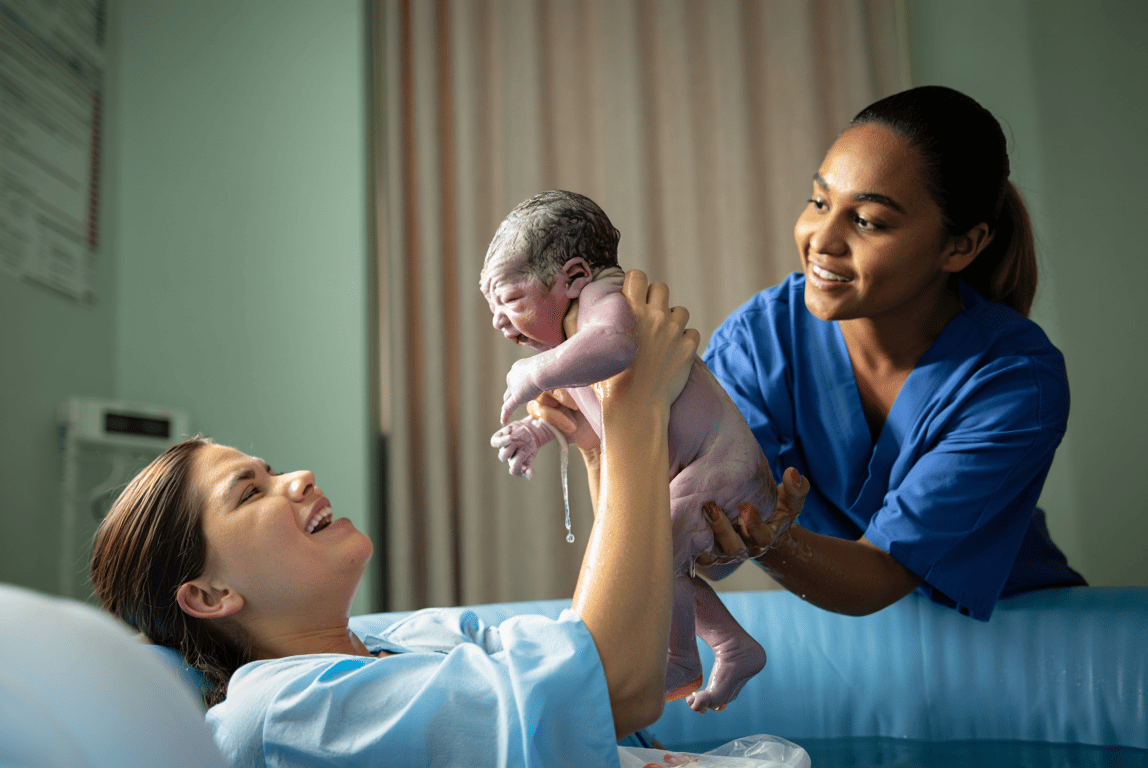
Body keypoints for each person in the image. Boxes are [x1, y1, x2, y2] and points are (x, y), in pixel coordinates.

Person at [90, 271, 759, 767]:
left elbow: (602, 651)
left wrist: (596, 452)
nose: (298, 478)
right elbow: (617, 688)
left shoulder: (419, 639)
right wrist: (634, 413)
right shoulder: (276, 713)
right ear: (209, 595)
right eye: (250, 491)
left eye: (269, 471)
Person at [686, 85, 1086, 621]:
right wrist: (615, 433)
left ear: (961, 246)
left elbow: (876, 577)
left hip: (1033, 645)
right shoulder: (761, 342)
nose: (821, 240)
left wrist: (767, 541)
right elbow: (707, 552)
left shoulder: (1013, 382)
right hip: (869, 655)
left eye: (867, 220)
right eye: (820, 202)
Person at [481, 189, 779, 713]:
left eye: (509, 299)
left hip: (723, 463)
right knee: (654, 557)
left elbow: (616, 348)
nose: (499, 322)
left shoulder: (604, 301)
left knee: (656, 547)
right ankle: (733, 645)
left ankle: (682, 658)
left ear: (573, 277)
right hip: (698, 470)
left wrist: (533, 372)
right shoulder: (569, 346)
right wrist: (535, 433)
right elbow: (587, 408)